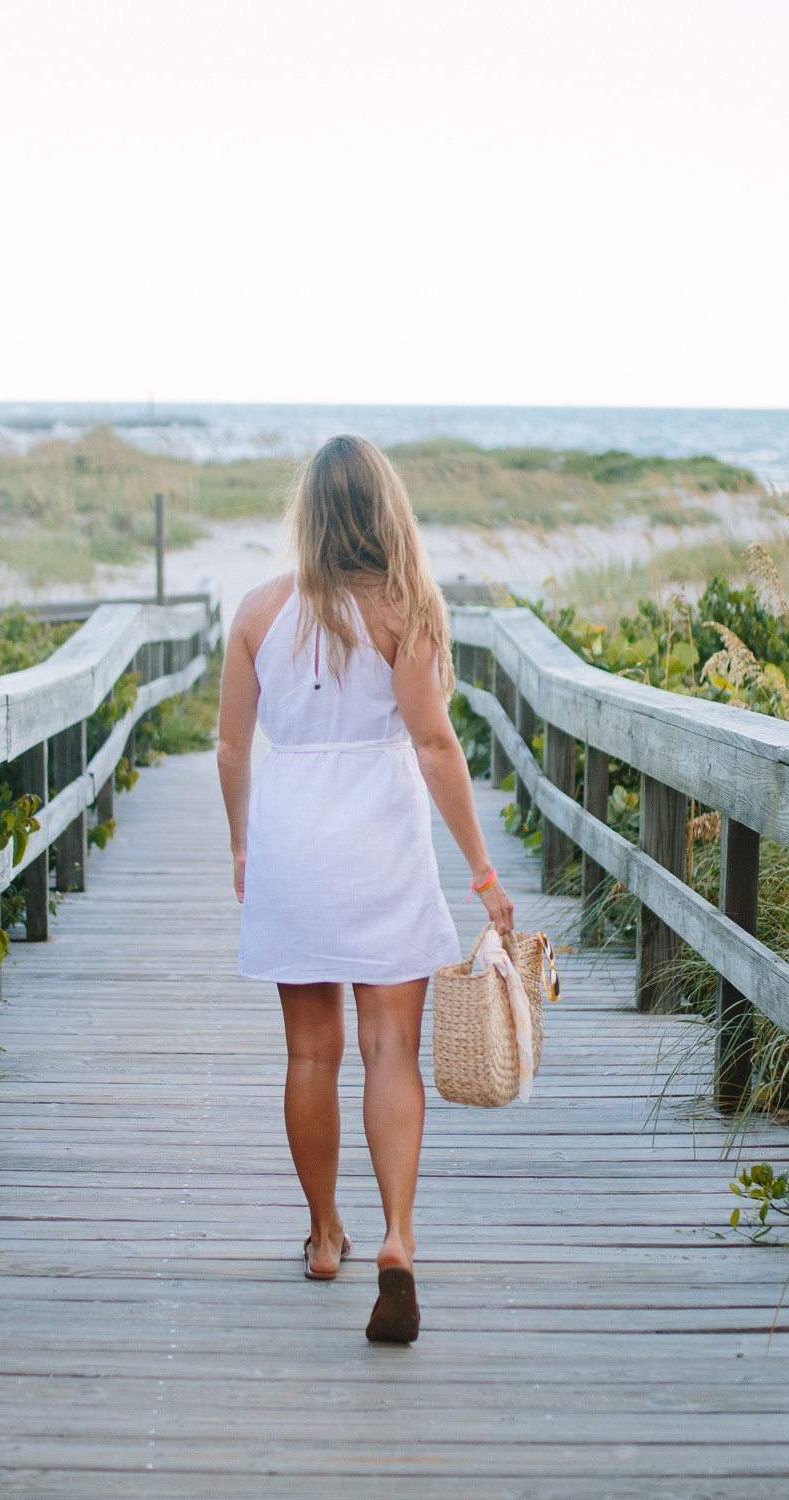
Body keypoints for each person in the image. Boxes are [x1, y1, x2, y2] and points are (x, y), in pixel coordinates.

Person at [217, 434, 513, 1343]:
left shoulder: (259, 613)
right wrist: (483, 870)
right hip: (382, 847)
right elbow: (434, 746)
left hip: (292, 847)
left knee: (312, 1054)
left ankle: (320, 1234)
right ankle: (397, 1238)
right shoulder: (405, 612)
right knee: (392, 1052)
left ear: (307, 515)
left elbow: (230, 748)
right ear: (384, 512)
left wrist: (241, 849)